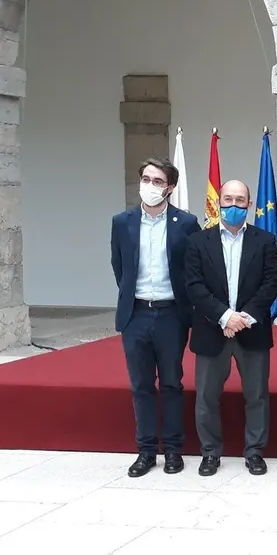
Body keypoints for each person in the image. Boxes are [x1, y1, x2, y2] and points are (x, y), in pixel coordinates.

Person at [110, 158, 201, 477]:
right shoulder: (122, 222)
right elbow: (119, 266)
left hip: (171, 314)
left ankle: (174, 449)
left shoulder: (185, 223)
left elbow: (194, 268)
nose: (149, 186)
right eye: (145, 178)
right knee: (141, 385)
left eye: (157, 181)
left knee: (172, 383)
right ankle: (146, 450)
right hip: (135, 314)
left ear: (170, 188)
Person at [183, 180, 277, 477]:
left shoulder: (264, 240)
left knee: (257, 395)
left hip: (252, 330)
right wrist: (225, 317)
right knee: (207, 397)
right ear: (218, 202)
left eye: (240, 201)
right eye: (228, 199)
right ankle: (210, 452)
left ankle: (254, 451)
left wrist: (244, 317)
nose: (234, 206)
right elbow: (194, 286)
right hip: (212, 330)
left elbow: (270, 283)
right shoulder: (198, 241)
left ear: (249, 205)